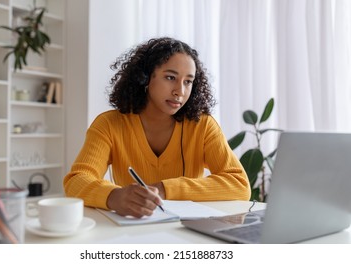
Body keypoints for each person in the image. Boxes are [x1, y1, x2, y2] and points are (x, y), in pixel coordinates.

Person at [64, 37, 250, 218]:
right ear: (144, 78)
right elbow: (76, 180)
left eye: (188, 81)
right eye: (170, 77)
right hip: (132, 233)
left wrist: (164, 189)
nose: (180, 91)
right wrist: (113, 197)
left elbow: (239, 185)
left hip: (188, 234)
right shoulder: (109, 124)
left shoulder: (203, 126)